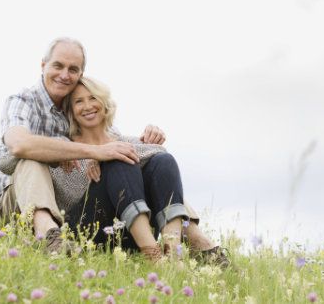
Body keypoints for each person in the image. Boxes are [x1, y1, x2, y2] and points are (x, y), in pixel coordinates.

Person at [0, 37, 166, 254]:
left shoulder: (77, 109)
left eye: (73, 69)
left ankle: (191, 239)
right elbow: (19, 145)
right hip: (17, 205)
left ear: (80, 74)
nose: (64, 75)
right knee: (31, 160)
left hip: (68, 213)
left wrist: (147, 137)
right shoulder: (22, 101)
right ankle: (50, 237)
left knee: (138, 161)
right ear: (43, 65)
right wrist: (93, 152)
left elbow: (113, 145)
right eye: (58, 66)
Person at [46, 76, 227, 265]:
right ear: (71, 111)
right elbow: (66, 200)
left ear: (104, 102)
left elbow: (160, 153)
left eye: (93, 98)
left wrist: (105, 155)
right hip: (90, 230)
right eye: (78, 101)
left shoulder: (126, 142)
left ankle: (173, 255)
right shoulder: (67, 148)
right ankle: (153, 256)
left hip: (131, 230)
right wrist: (102, 157)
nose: (87, 106)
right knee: (119, 158)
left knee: (161, 161)